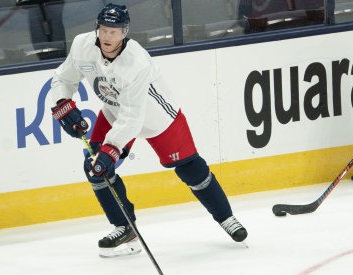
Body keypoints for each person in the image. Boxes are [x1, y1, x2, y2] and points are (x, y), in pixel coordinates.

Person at [50, 3, 247, 258]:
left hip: (159, 119)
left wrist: (112, 147)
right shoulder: (81, 46)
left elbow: (134, 117)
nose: (108, 36)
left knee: (191, 169)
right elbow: (62, 78)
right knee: (96, 168)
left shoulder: (137, 62)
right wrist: (62, 103)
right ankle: (125, 228)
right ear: (96, 28)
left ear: (125, 32)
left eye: (115, 31)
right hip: (116, 112)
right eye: (104, 29)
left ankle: (226, 218)